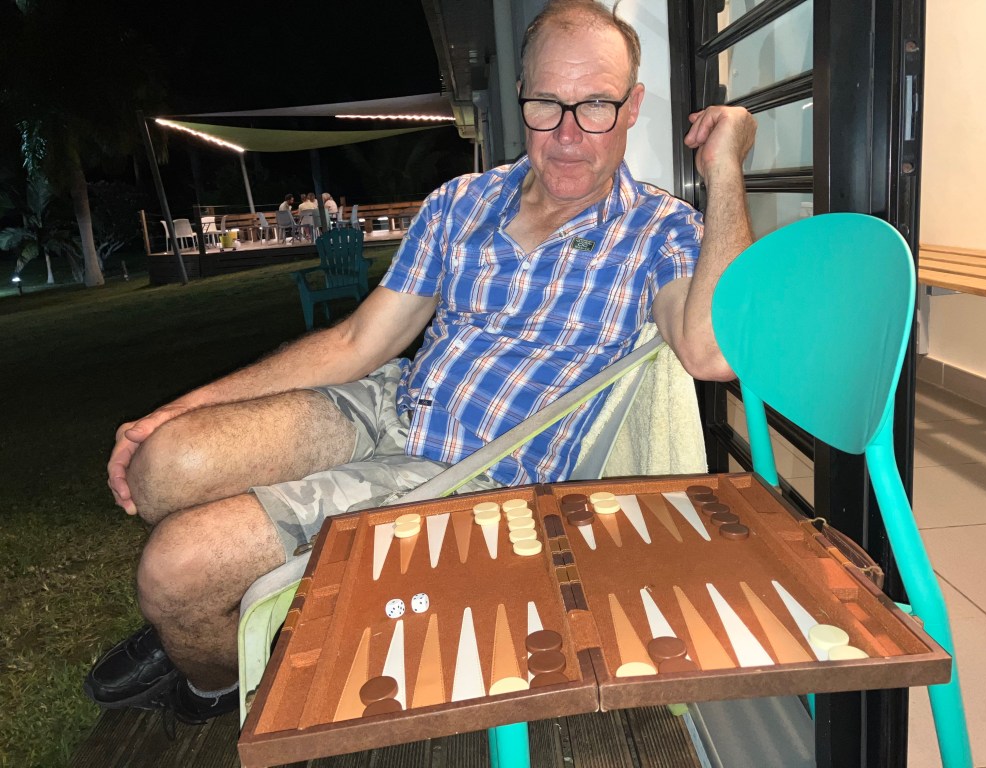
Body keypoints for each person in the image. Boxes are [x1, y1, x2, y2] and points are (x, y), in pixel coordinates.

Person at [84, 0, 756, 724]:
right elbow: (357, 342)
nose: (567, 134)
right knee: (163, 464)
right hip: (393, 404)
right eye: (546, 104)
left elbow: (714, 351)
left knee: (175, 572)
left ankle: (206, 675)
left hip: (468, 475)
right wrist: (177, 410)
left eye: (595, 105)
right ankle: (203, 624)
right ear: (520, 98)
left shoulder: (660, 230)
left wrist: (724, 170)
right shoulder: (461, 202)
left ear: (633, 107)